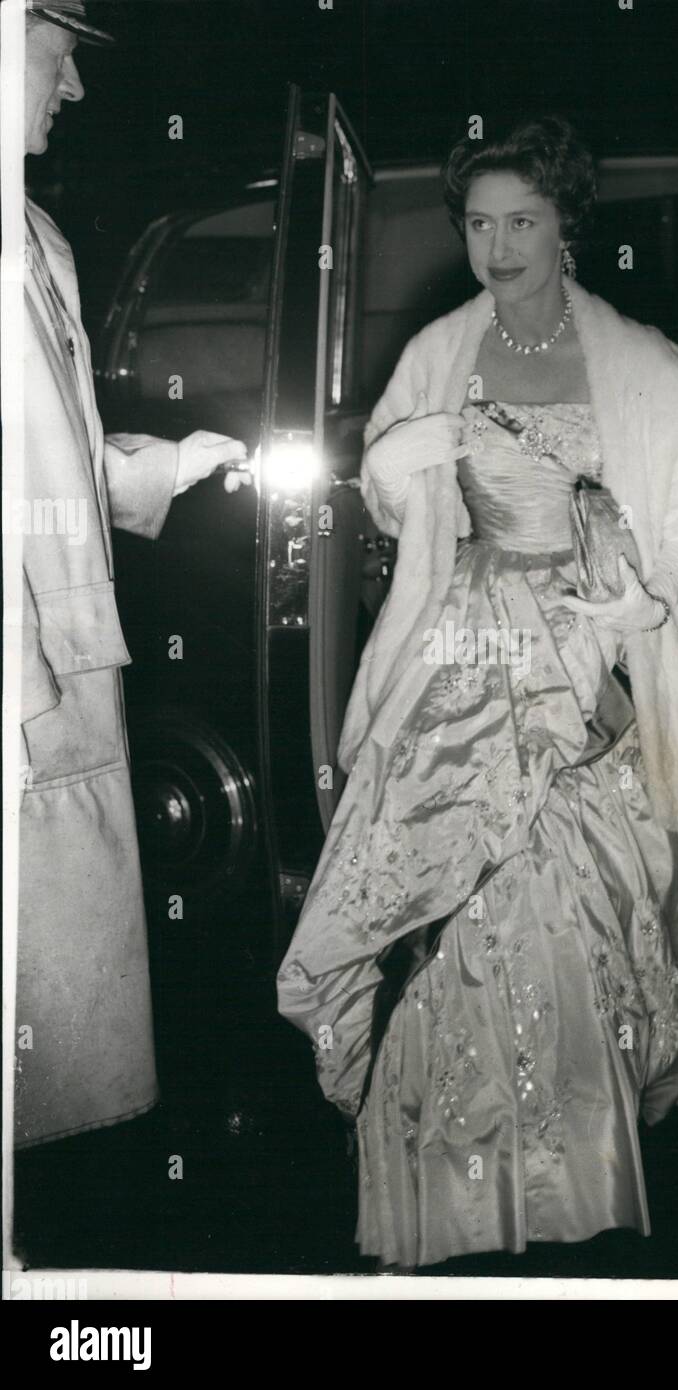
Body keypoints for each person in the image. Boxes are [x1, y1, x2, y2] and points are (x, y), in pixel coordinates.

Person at [278, 116, 678, 1272]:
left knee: (593, 900)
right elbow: (388, 493)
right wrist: (407, 454)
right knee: (457, 899)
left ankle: (577, 1181)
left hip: (605, 643)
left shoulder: (636, 357)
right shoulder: (442, 349)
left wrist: (639, 605)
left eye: (520, 221)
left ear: (563, 224)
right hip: (468, 644)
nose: (497, 245)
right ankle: (461, 1192)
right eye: (479, 223)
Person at [14, 1, 250, 1150]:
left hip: (59, 679)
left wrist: (151, 469)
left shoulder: (38, 241)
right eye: (61, 55)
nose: (77, 90)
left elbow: (40, 460)